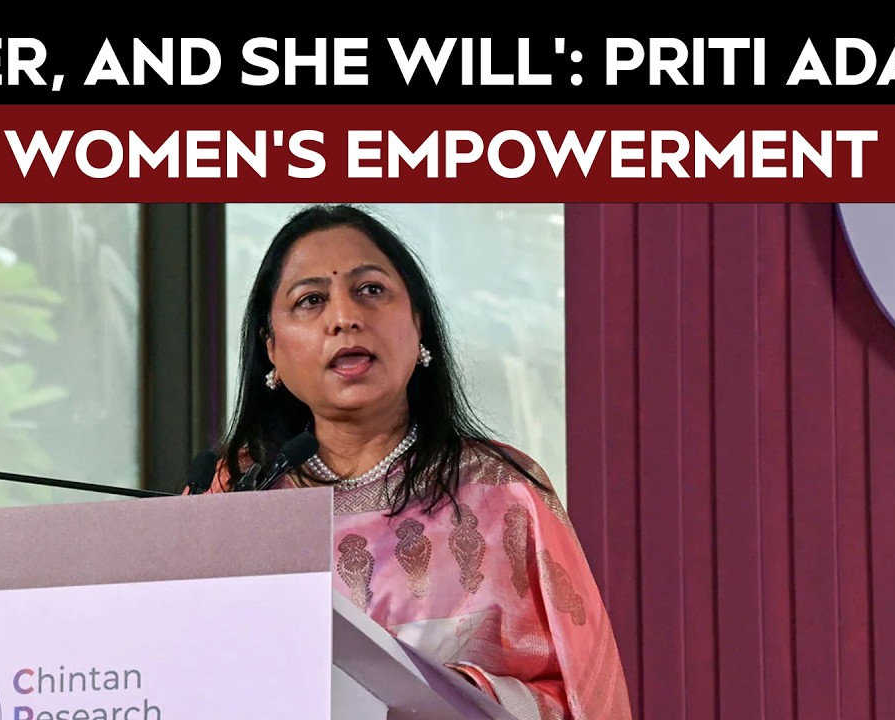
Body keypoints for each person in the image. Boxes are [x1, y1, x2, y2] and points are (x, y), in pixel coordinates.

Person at [205, 204, 632, 719]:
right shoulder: (232, 496)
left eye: (371, 290)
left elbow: (588, 699)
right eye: (311, 300)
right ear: (271, 348)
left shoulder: (504, 494)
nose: (344, 318)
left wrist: (457, 697)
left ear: (418, 323)